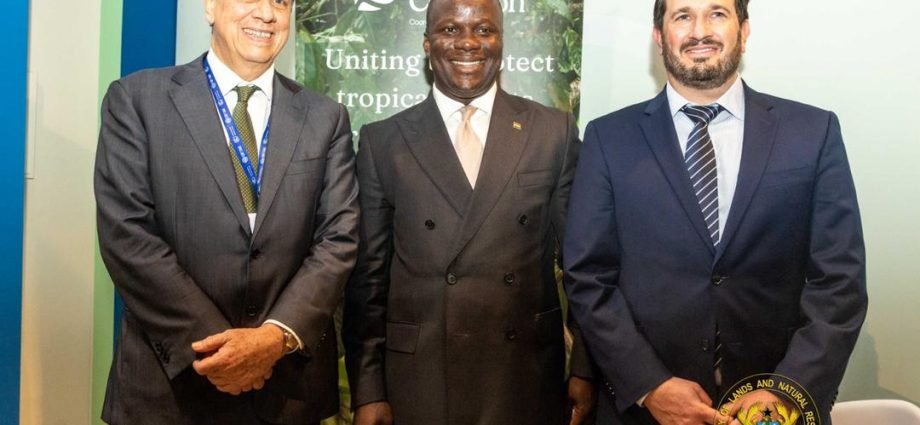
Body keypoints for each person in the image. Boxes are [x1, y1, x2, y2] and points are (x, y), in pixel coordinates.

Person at [563, 1, 867, 424]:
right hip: (646, 412)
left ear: (745, 30)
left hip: (777, 410)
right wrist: (649, 385)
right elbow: (588, 277)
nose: (700, 31)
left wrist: (786, 389)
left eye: (717, 14)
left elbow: (840, 282)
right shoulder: (608, 138)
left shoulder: (813, 132)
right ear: (659, 36)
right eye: (682, 16)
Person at [94, 0, 358, 423]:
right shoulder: (137, 100)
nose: (267, 14)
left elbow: (338, 240)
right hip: (171, 391)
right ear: (210, 8)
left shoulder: (327, 118)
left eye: (281, 2)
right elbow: (128, 235)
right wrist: (223, 352)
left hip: (287, 391)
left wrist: (273, 339)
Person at [342, 0, 596, 423]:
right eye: (450, 30)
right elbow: (367, 280)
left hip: (524, 377)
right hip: (420, 380)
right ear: (427, 44)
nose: (468, 43)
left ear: (501, 41)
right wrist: (368, 391)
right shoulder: (383, 141)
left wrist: (584, 367)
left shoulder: (553, 131)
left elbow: (582, 265)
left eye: (483, 30)